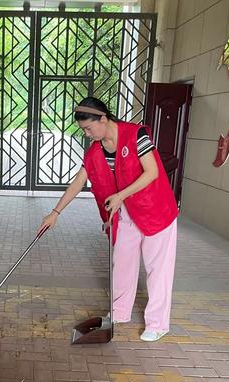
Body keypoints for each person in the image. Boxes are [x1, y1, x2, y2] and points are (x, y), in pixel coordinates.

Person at [40, 97, 178, 342]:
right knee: (122, 262)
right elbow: (79, 181)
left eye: (88, 128)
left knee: (158, 269)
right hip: (127, 212)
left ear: (103, 119)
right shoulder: (96, 151)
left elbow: (152, 172)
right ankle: (120, 312)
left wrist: (120, 195)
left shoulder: (136, 135)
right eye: (83, 130)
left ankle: (158, 323)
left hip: (156, 209)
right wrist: (55, 212)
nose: (87, 134)